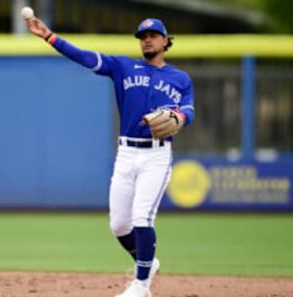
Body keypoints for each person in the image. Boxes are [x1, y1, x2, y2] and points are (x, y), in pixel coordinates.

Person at [26, 17, 195, 297]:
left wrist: (179, 116)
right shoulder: (123, 66)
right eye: (143, 36)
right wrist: (49, 37)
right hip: (126, 153)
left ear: (166, 41)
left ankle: (141, 286)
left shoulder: (180, 79)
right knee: (119, 224)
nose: (147, 40)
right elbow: (83, 57)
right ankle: (148, 263)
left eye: (153, 35)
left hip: (156, 157)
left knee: (142, 218)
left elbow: (189, 110)